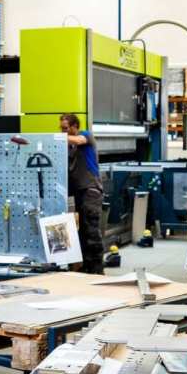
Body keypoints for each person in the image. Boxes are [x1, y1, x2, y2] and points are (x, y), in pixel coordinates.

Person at [59, 113, 105, 275]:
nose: (63, 132)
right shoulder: (69, 146)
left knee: (91, 230)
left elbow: (78, 140)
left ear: (74, 127)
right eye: (61, 129)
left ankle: (97, 270)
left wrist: (55, 138)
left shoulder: (86, 135)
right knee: (83, 232)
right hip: (79, 192)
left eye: (65, 129)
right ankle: (87, 266)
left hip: (91, 191)